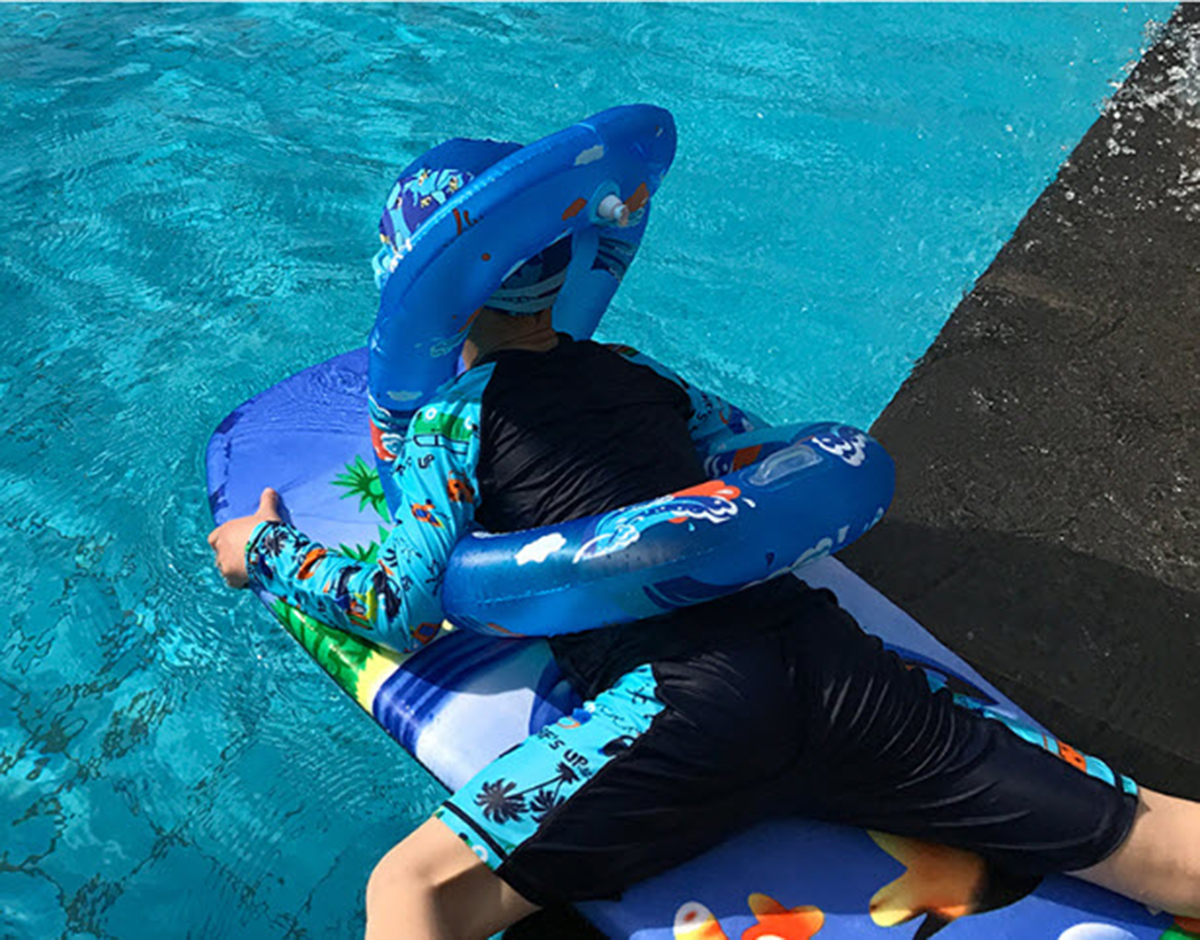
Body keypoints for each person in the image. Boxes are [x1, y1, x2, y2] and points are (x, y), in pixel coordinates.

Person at [208, 174, 1200, 940]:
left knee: (413, 888)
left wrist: (266, 548)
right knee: (1145, 832)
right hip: (836, 669)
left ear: (426, 295)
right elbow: (747, 462)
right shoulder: (637, 373)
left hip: (677, 708)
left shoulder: (450, 422)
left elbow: (398, 602)